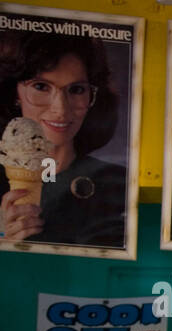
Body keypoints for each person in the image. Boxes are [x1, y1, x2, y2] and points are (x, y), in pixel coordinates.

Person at [0, 31, 125, 247]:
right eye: (41, 86)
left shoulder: (117, 183)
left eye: (76, 90)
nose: (61, 109)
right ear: (14, 93)